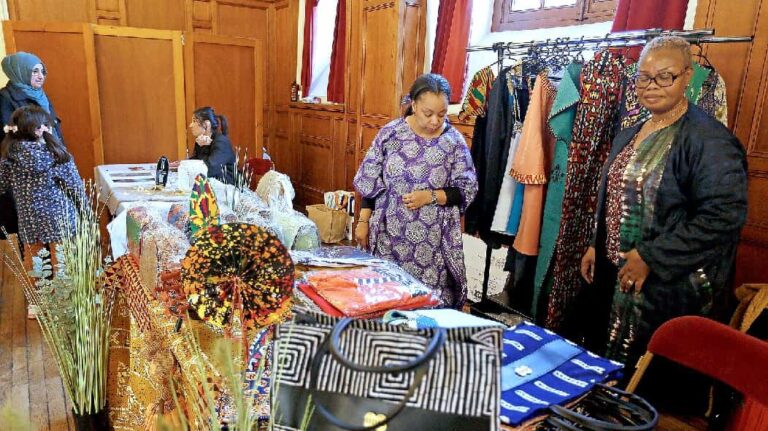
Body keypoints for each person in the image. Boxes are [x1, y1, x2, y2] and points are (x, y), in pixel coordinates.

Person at [580, 36, 748, 370]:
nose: (652, 85)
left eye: (665, 76)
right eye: (644, 76)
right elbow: (614, 192)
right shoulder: (631, 131)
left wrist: (651, 257)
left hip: (664, 288)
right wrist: (595, 244)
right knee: (603, 367)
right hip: (615, 274)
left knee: (647, 380)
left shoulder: (709, 140)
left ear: (687, 76)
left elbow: (724, 216)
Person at [353, 73, 478, 309]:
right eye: (428, 113)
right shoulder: (391, 134)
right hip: (389, 235)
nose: (434, 121)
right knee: (387, 296)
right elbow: (370, 180)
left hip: (432, 245)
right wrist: (362, 221)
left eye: (442, 114)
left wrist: (429, 196)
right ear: (414, 105)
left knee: (425, 304)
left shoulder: (453, 142)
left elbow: (466, 188)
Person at [0, 105, 83, 318]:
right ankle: (64, 302)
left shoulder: (9, 157)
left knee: (35, 258)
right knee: (62, 259)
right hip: (59, 215)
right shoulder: (56, 153)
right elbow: (75, 186)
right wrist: (84, 208)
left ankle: (36, 305)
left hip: (29, 217)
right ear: (39, 130)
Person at [0, 52, 65, 248]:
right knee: (27, 222)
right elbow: (8, 133)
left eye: (42, 71)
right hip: (25, 166)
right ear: (19, 71)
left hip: (50, 160)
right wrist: (35, 150)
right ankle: (33, 269)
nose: (40, 76)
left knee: (52, 219)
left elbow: (53, 127)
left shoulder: (41, 96)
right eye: (34, 71)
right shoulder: (5, 98)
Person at [188, 106, 236, 184]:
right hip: (210, 182)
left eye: (194, 121)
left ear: (207, 124)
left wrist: (203, 147)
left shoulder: (221, 142)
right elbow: (195, 160)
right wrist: (181, 164)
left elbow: (210, 169)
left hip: (226, 186)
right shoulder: (201, 140)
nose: (191, 125)